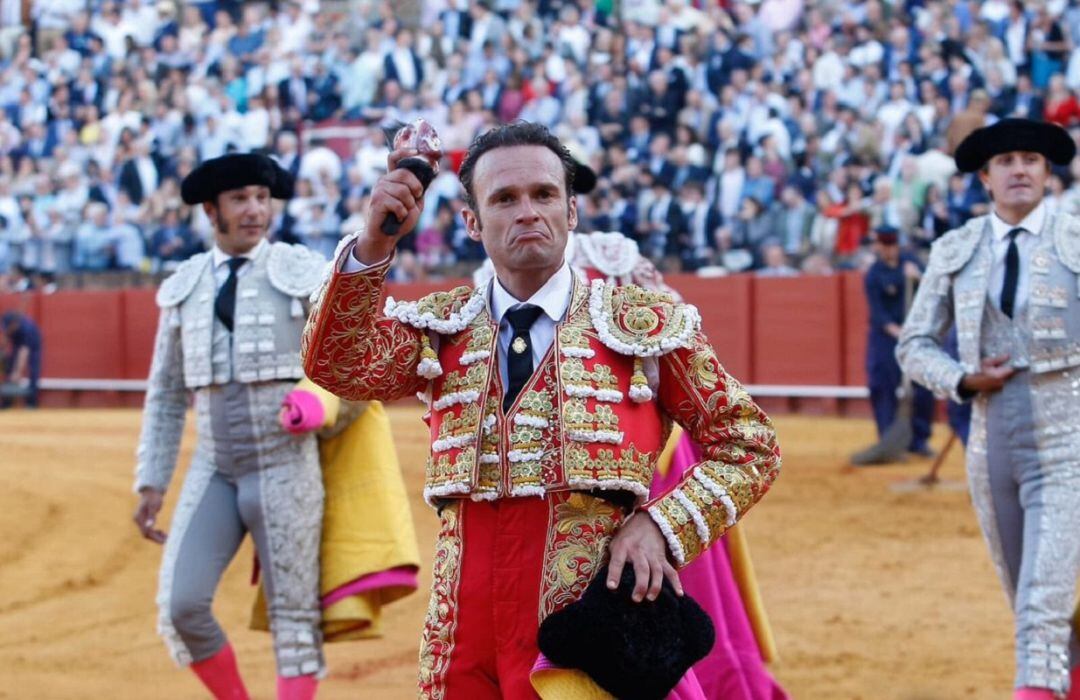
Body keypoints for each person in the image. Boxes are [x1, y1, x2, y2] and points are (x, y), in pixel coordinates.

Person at [301, 122, 781, 698]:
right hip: (461, 632)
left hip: (585, 623)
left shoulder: (642, 324)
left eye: (544, 195)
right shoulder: (440, 329)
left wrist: (660, 525)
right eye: (504, 198)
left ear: (571, 212)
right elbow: (337, 363)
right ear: (472, 223)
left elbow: (750, 443)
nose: (527, 211)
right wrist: (374, 246)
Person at [132, 153, 333, 700]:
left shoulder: (305, 274)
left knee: (294, 622)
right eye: (240, 199)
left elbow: (345, 367)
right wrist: (151, 481)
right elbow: (168, 393)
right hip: (216, 467)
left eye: (262, 198)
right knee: (182, 606)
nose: (255, 210)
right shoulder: (184, 286)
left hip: (286, 463)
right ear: (210, 210)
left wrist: (317, 403)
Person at [898, 118, 1080, 700]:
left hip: (1068, 434)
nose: (1020, 169)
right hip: (989, 441)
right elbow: (914, 344)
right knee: (1025, 596)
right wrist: (963, 379)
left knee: (1041, 603)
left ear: (1048, 172)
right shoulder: (957, 248)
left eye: (1031, 158)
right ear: (986, 177)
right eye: (1006, 161)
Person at [863, 226, 935, 457]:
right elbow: (878, 314)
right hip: (886, 338)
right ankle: (889, 442)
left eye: (892, 246)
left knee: (923, 388)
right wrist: (898, 332)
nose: (889, 251)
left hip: (915, 335)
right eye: (884, 247)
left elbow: (934, 290)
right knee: (883, 386)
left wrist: (919, 277)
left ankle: (919, 440)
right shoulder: (874, 274)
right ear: (878, 247)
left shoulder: (912, 262)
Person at [1, 311, 42, 408]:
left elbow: (24, 352)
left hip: (33, 345)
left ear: (15, 324)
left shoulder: (27, 330)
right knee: (9, 367)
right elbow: (6, 335)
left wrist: (18, 372)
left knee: (33, 370)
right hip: (17, 342)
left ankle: (31, 403)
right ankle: (7, 402)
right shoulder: (6, 320)